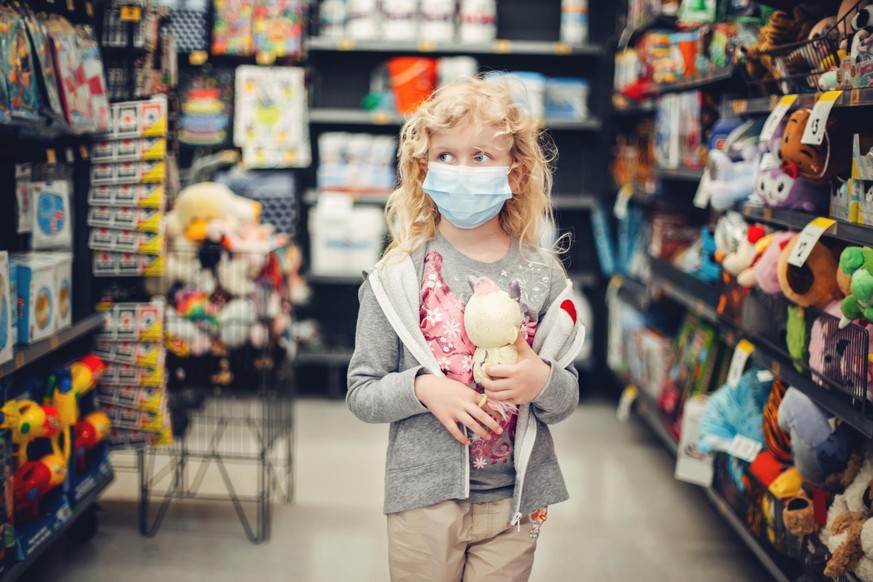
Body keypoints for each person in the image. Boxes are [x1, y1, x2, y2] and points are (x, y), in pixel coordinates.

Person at [346, 76, 585, 582]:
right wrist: (423, 387)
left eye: (481, 157)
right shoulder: (397, 276)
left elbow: (564, 400)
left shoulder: (544, 278)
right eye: (447, 156)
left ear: (515, 176)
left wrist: (540, 379)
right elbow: (362, 391)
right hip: (423, 499)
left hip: (516, 502)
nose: (461, 169)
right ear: (424, 169)